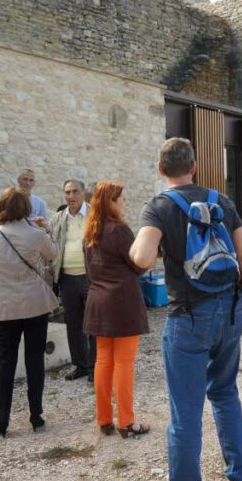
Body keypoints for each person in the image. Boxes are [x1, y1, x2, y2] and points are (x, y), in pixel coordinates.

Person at [130, 137, 242, 481]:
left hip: (188, 319)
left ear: (161, 169)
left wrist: (138, 244)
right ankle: (241, 476)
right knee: (225, 393)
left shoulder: (159, 207)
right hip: (230, 314)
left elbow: (143, 258)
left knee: (186, 414)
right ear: (194, 167)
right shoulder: (222, 200)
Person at [0, 187, 58, 437]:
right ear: (26, 208)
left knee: (5, 362)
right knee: (34, 360)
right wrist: (47, 229)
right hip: (35, 303)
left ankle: (2, 421)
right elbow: (53, 253)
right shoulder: (35, 234)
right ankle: (36, 416)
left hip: (4, 304)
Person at [83, 181, 150, 438]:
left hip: (98, 301)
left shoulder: (91, 232)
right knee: (123, 362)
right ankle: (126, 421)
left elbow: (89, 271)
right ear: (111, 202)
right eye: (122, 198)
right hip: (121, 302)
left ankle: (104, 419)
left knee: (103, 361)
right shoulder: (119, 231)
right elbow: (140, 264)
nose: (125, 202)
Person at [48, 179, 96, 381]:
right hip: (67, 278)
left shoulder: (95, 215)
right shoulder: (58, 218)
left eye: (75, 191)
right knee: (73, 324)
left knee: (93, 324)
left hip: (90, 278)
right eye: (67, 192)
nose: (71, 196)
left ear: (84, 192)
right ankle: (81, 365)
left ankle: (96, 367)